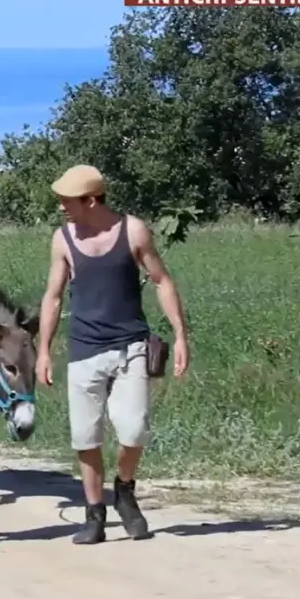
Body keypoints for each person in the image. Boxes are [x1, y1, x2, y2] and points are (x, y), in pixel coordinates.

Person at [35, 165, 189, 545]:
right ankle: (94, 514)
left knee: (134, 428)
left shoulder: (133, 230)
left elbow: (161, 281)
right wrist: (43, 350)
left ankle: (124, 489)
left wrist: (181, 335)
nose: (62, 208)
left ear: (90, 200)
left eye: (67, 202)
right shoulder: (62, 239)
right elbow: (53, 297)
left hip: (130, 346)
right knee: (85, 436)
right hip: (84, 349)